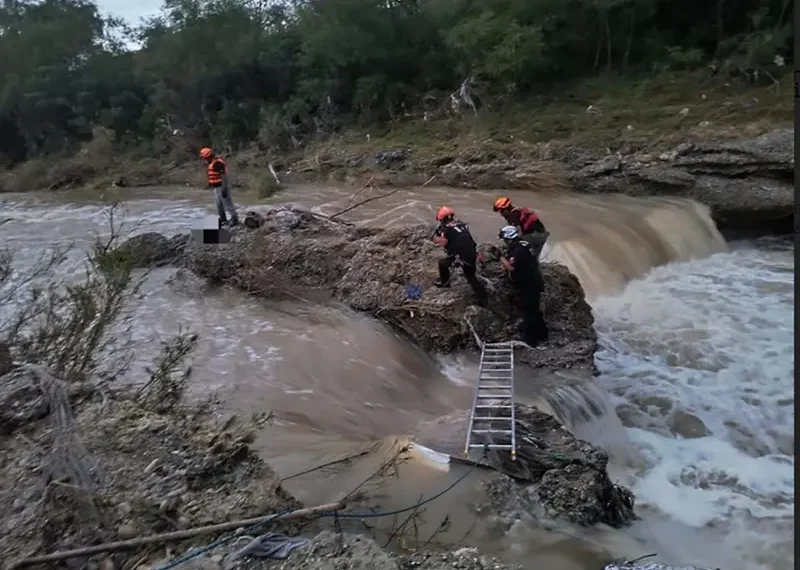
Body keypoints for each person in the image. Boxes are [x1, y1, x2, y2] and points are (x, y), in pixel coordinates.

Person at [498, 225, 549, 347]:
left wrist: (499, 257)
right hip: (533, 281)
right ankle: (543, 333)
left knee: (529, 311)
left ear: (509, 238)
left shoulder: (518, 250)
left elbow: (511, 266)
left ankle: (530, 340)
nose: (505, 242)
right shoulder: (523, 244)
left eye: (505, 240)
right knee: (534, 310)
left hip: (529, 285)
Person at [431, 206, 488, 307]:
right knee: (470, 273)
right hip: (471, 252)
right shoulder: (462, 224)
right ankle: (482, 295)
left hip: (461, 256)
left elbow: (442, 243)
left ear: (442, 219)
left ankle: (482, 298)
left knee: (443, 264)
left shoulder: (447, 229)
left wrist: (434, 238)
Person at [200, 147, 239, 227]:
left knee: (227, 203)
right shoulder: (212, 163)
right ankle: (223, 219)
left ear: (208, 156)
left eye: (204, 158)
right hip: (217, 187)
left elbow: (224, 176)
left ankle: (235, 219)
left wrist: (224, 189)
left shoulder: (218, 163)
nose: (204, 160)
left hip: (222, 186)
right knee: (219, 204)